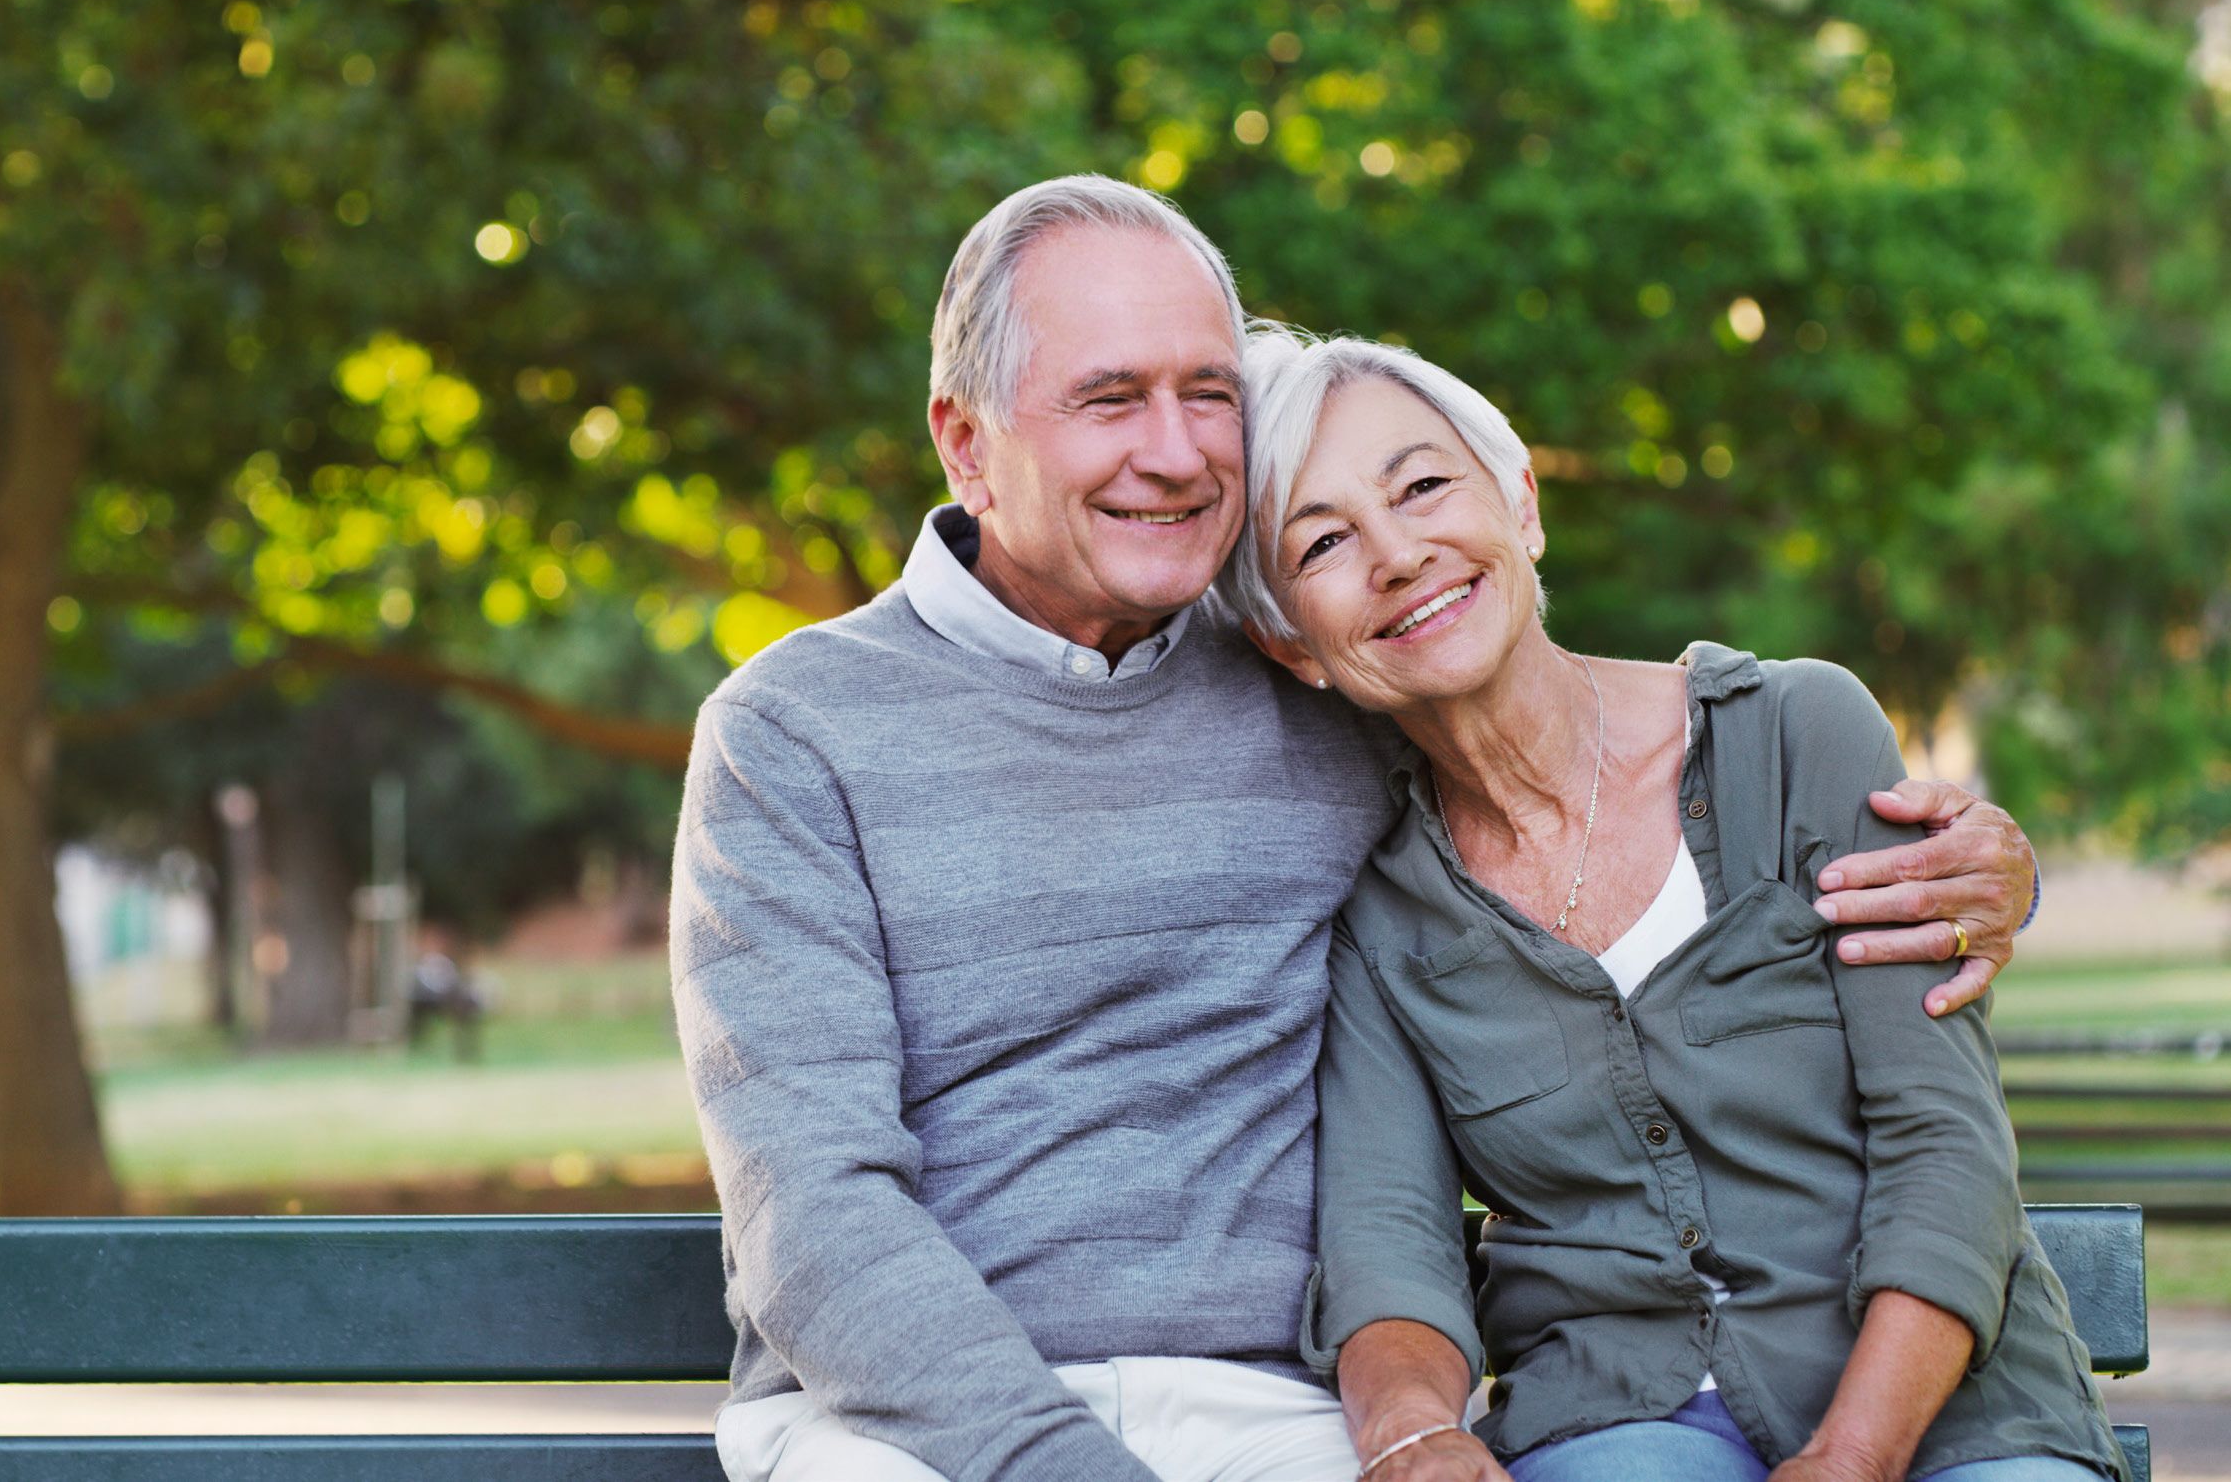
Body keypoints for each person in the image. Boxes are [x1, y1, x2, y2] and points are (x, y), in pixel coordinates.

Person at [670, 175, 2043, 1482]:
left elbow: (1569, 723)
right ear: (968, 442)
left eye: (1206, 393)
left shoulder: (1326, 669)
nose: (1173, 449)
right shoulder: (796, 730)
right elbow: (816, 1215)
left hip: (1272, 1410)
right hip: (908, 1426)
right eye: (1107, 399)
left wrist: (1984, 863)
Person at [1214, 328, 2121, 1482]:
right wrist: (1415, 1431)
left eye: (1424, 486)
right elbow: (1390, 1246)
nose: (1395, 553)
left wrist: (1851, 1453)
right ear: (1290, 642)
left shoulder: (1798, 732)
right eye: (1325, 541)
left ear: (1522, 506)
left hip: (1951, 1407)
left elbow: (1943, 1141)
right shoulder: (1380, 912)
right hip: (1618, 1417)